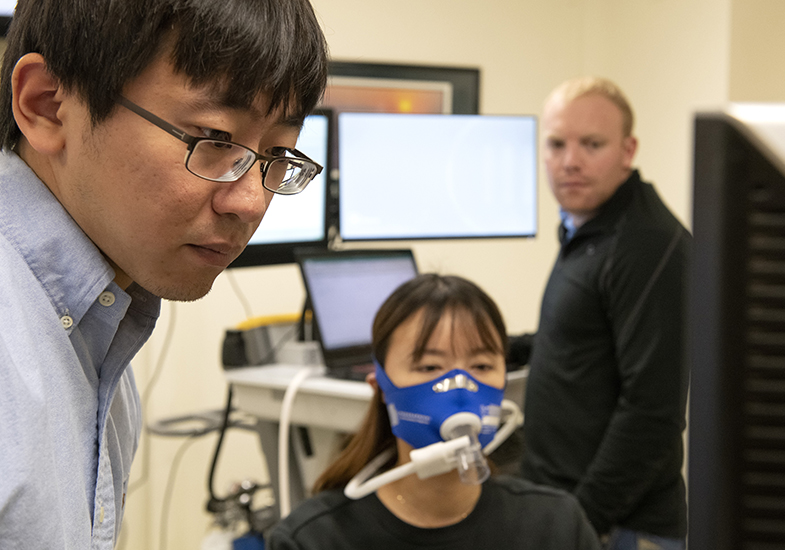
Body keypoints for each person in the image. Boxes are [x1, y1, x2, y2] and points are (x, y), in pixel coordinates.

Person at [0, 1, 328, 547]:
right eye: (215, 139)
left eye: (279, 154)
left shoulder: (98, 324)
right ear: (48, 106)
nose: (250, 202)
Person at [268, 274, 601, 550]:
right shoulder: (311, 541)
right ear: (381, 387)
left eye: (482, 365)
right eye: (429, 365)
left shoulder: (556, 525)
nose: (459, 385)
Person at [517, 76, 691, 549]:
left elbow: (653, 411)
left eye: (592, 144)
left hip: (616, 526)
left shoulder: (646, 244)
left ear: (628, 150)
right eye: (556, 144)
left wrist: (580, 520)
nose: (570, 161)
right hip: (570, 508)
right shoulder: (588, 228)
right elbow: (586, 340)